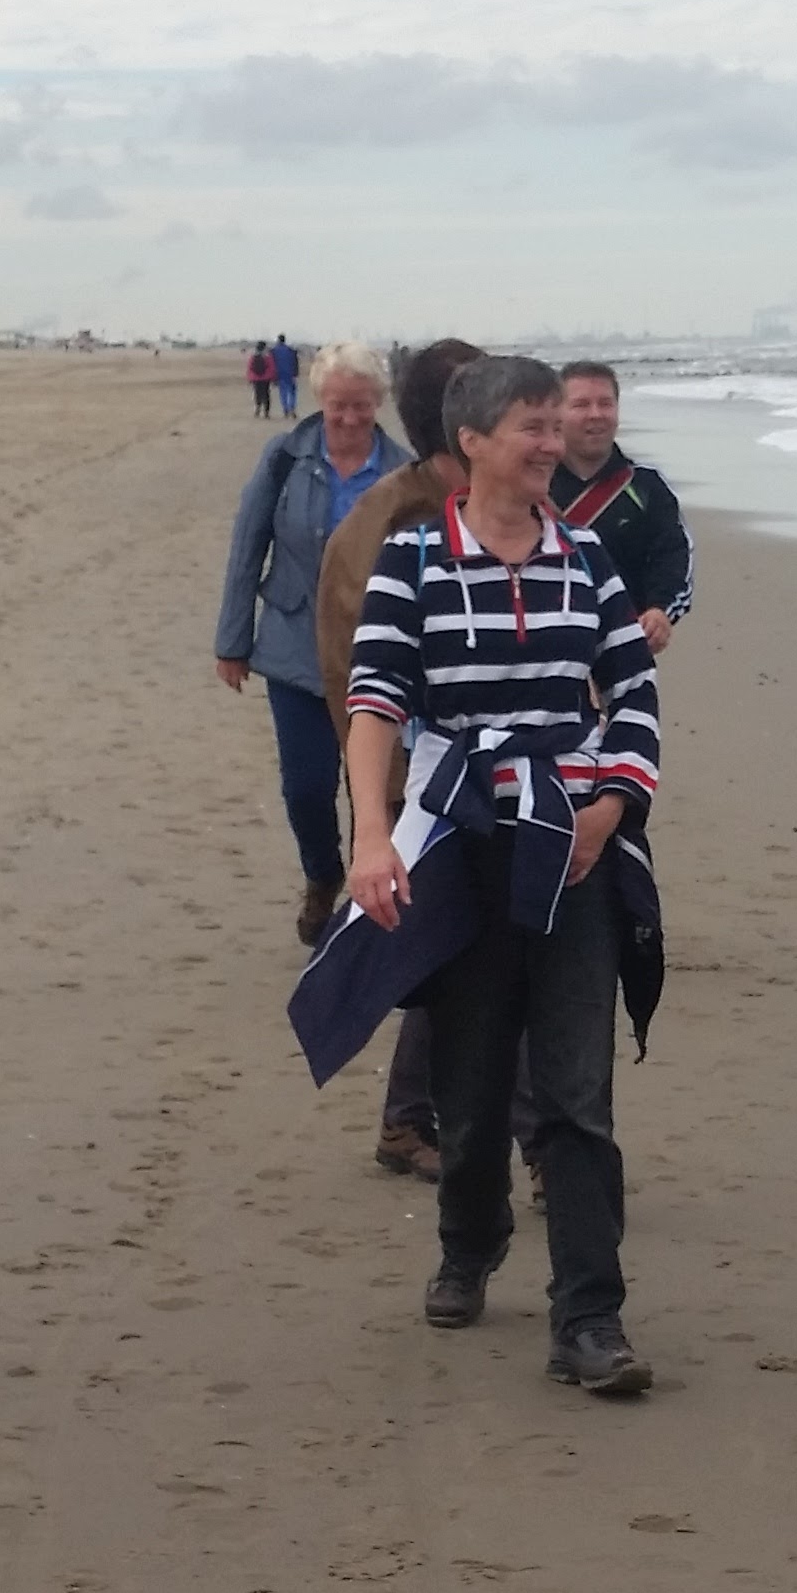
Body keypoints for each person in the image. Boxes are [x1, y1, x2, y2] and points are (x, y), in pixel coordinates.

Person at [340, 354, 667, 1396]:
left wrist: (609, 806)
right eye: (532, 427)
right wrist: (372, 838)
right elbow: (375, 704)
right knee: (472, 1092)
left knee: (576, 1095)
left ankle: (590, 1318)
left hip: (572, 849)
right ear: (472, 441)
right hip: (462, 847)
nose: (550, 443)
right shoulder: (412, 563)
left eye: (553, 425)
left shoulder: (585, 559)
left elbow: (632, 692)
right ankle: (469, 1242)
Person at [314, 341, 485, 1180]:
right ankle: (417, 1122)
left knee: (461, 951)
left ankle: (418, 1119)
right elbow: (370, 674)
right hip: (416, 776)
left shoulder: (460, 501)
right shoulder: (405, 520)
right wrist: (381, 809)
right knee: (448, 952)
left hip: (445, 772)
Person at [218, 341, 408, 944]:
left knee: (377, 790)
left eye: (361, 405)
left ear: (378, 402)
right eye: (337, 405)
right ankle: (322, 876)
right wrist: (232, 641)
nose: (349, 418)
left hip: (376, 653)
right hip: (295, 648)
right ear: (319, 399)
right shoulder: (285, 458)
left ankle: (370, 900)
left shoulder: (404, 471)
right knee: (306, 787)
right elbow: (248, 546)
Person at [547, 361, 694, 660]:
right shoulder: (532, 485)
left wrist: (660, 611)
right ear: (556, 414)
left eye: (605, 403)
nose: (596, 414)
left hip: (622, 652)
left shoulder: (647, 486)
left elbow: (674, 556)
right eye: (581, 404)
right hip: (544, 652)